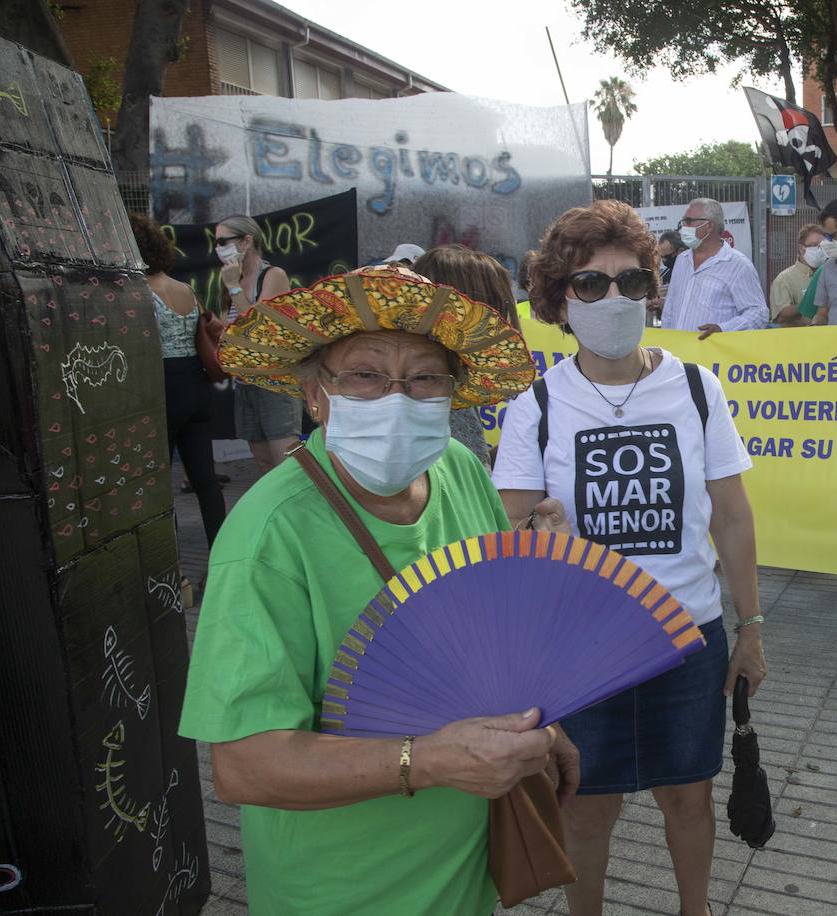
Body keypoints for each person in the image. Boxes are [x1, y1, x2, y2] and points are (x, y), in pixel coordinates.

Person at [179, 265, 577, 914]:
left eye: (424, 378)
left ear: (452, 394)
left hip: (468, 874)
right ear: (315, 396)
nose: (397, 398)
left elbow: (486, 642)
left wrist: (545, 730)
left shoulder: (458, 471)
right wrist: (429, 762)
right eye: (365, 374)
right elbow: (243, 766)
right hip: (342, 893)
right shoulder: (268, 537)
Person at [491, 199, 767, 916]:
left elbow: (733, 517)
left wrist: (754, 628)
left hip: (687, 636)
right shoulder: (538, 407)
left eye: (632, 282)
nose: (614, 298)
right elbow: (508, 530)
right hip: (582, 649)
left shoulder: (699, 390)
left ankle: (695, 910)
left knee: (688, 797)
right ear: (559, 299)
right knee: (586, 810)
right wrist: (534, 527)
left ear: (653, 288)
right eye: (590, 284)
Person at [129, 213, 226, 547]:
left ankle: (172, 570)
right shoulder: (185, 289)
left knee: (158, 484)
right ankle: (222, 553)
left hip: (162, 390)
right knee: (206, 480)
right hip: (197, 388)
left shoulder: (136, 294)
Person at [411, 245, 524, 472]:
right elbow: (466, 490)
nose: (503, 325)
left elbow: (470, 468)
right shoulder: (437, 394)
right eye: (498, 308)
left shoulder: (438, 382)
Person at [214, 215, 298, 474]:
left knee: (285, 461)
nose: (218, 248)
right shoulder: (233, 278)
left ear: (246, 241)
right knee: (262, 460)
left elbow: (257, 325)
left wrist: (233, 287)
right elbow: (226, 325)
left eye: (222, 241)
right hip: (244, 383)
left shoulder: (273, 275)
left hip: (273, 381)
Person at [659, 197, 769, 338]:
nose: (684, 227)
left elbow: (759, 313)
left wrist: (724, 329)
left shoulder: (738, 265)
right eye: (683, 221)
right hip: (678, 353)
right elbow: (670, 307)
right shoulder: (682, 260)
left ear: (709, 226)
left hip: (713, 356)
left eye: (689, 221)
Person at [769, 223, 827, 327]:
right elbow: (782, 315)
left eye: (822, 246)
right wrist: (808, 303)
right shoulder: (784, 279)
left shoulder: (830, 274)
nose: (819, 250)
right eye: (814, 245)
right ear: (801, 248)